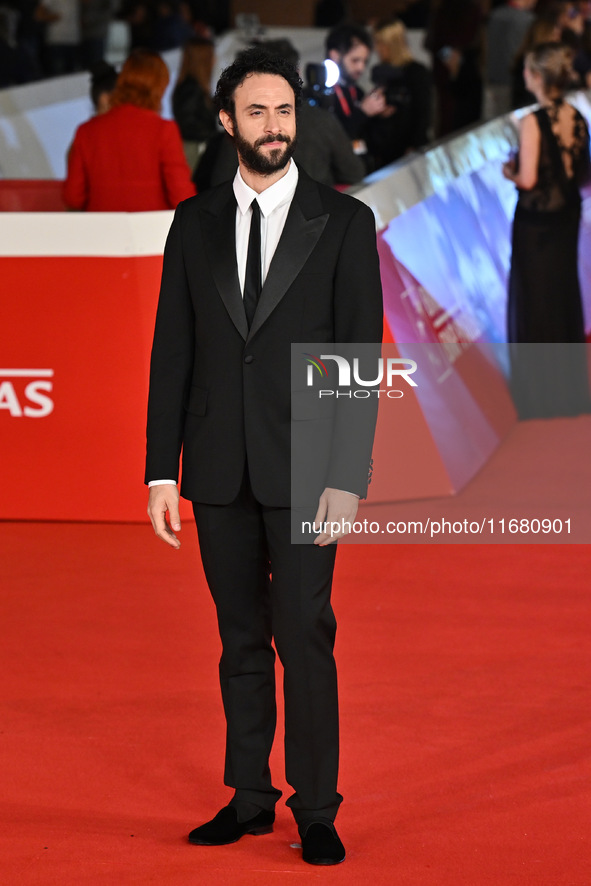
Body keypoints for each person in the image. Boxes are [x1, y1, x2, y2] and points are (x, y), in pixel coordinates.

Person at [145, 47, 383, 865]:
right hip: (215, 469)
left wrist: (348, 476)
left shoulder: (345, 222)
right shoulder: (192, 221)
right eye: (257, 112)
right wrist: (158, 471)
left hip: (309, 470)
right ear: (226, 121)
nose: (275, 126)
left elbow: (358, 357)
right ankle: (249, 797)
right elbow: (170, 354)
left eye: (285, 111)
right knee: (238, 637)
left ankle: (316, 809)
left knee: (303, 634)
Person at [503, 42, 590, 417]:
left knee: (536, 303)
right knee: (563, 296)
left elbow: (528, 178)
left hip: (536, 225)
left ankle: (541, 398)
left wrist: (509, 171)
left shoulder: (532, 121)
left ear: (536, 77)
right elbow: (584, 177)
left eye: (526, 69)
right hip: (568, 217)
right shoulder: (578, 116)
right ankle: (568, 390)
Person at [63, 48, 195, 211]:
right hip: (152, 230)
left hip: (101, 231)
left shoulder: (86, 131)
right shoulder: (164, 130)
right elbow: (181, 197)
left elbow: (73, 197)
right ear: (159, 88)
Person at [369, 18, 432, 166]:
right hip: (386, 151)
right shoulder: (382, 73)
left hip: (409, 150)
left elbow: (423, 113)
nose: (377, 49)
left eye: (380, 43)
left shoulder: (416, 72)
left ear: (392, 44)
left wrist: (415, 147)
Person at [325, 23, 387, 167]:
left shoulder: (357, 91)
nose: (361, 67)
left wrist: (381, 116)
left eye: (365, 61)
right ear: (335, 55)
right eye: (355, 60)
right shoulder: (322, 95)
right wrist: (362, 113)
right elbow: (333, 141)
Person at [172, 35, 218, 174]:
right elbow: (188, 124)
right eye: (211, 56)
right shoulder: (191, 89)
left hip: (193, 148)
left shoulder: (193, 87)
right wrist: (213, 136)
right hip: (192, 150)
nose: (215, 60)